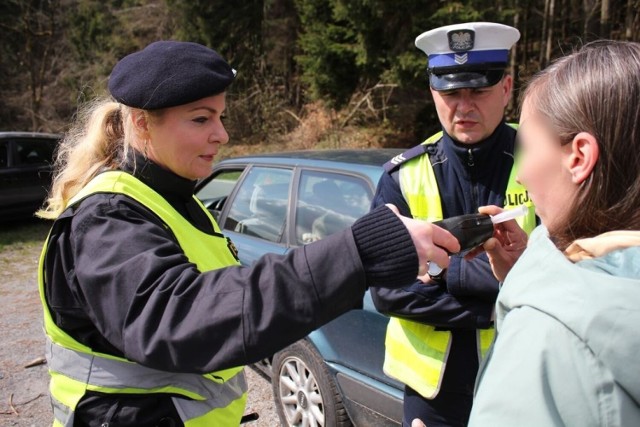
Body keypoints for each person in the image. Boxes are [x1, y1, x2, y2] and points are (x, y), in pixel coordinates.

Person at [36, 40, 461, 427]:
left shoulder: (175, 199)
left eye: (220, 117)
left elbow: (235, 305)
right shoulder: (107, 218)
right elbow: (183, 318)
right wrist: (359, 253)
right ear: (142, 124)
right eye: (201, 119)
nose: (221, 135)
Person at [370, 22, 537, 427]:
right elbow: (387, 292)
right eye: (450, 92)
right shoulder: (400, 177)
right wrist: (502, 302)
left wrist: (445, 270)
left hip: (524, 381)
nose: (463, 106)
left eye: (478, 90)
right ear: (433, 92)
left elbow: (569, 267)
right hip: (434, 396)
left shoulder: (545, 157)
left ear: (507, 87)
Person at [467, 40, 640, 426]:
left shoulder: (546, 340)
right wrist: (528, 272)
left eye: (527, 148)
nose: (523, 173)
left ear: (578, 158)